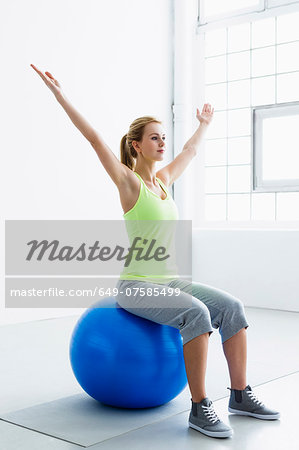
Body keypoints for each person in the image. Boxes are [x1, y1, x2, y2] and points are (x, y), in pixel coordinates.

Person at [31, 64, 280, 439]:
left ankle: (240, 396)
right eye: (154, 138)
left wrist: (205, 124)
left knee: (232, 307)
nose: (162, 143)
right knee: (196, 314)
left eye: (164, 137)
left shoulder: (163, 181)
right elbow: (96, 139)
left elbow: (191, 151)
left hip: (172, 281)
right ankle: (199, 409)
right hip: (136, 287)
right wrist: (60, 94)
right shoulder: (129, 183)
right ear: (137, 145)